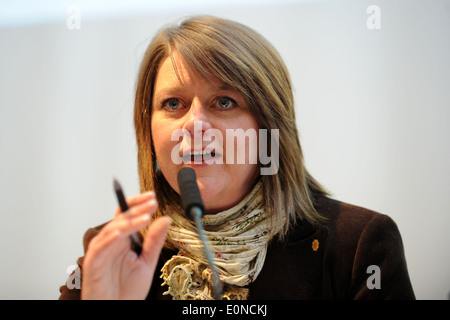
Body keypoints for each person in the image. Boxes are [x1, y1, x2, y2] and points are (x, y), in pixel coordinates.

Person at [59, 15, 415, 300]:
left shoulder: (358, 246)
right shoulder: (111, 253)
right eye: (173, 104)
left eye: (224, 101)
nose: (194, 124)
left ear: (268, 129)